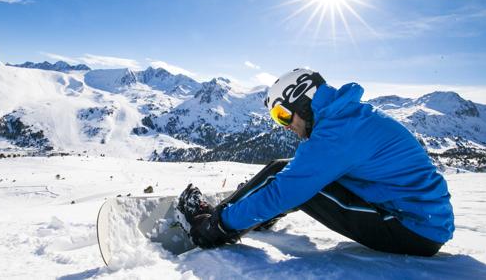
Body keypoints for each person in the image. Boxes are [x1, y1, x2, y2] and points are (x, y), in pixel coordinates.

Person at [178, 68, 454, 257]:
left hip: (412, 229)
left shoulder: (337, 133)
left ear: (302, 101)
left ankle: (210, 228)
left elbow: (284, 190)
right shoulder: (346, 117)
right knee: (289, 173)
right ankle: (251, 217)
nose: (284, 126)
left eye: (282, 115)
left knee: (285, 180)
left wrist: (223, 223)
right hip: (415, 218)